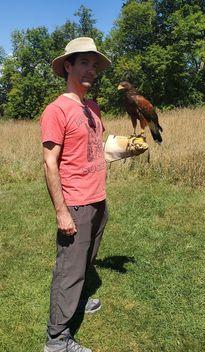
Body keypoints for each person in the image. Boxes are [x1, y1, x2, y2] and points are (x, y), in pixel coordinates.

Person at [40, 37, 111, 352]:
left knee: (85, 261)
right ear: (67, 66)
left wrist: (127, 149)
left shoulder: (92, 106)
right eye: (84, 62)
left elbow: (95, 151)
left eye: (94, 65)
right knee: (69, 267)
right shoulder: (57, 110)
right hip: (76, 203)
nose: (91, 70)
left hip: (98, 198)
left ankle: (77, 302)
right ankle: (56, 339)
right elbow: (49, 163)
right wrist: (61, 211)